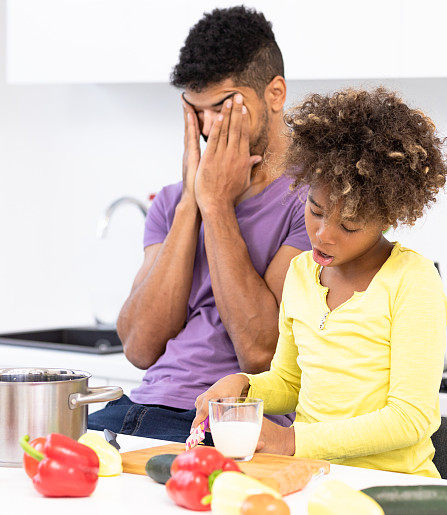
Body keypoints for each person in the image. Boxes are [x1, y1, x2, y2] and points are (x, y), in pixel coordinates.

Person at [193, 87, 447, 477]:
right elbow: (289, 382)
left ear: (387, 216)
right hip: (311, 477)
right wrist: (244, 385)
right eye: (315, 211)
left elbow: (410, 418)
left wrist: (289, 440)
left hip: (389, 486)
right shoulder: (301, 273)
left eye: (349, 225)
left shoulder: (412, 281)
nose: (323, 235)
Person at [88, 7, 310, 441]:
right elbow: (138, 347)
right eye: (196, 110)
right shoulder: (172, 202)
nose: (208, 127)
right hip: (135, 405)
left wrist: (217, 206)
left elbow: (262, 353)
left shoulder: (313, 206)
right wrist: (192, 200)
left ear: (275, 93)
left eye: (223, 107)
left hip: (225, 422)